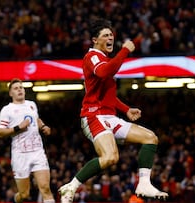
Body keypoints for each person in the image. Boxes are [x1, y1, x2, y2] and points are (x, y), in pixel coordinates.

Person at [58, 18, 169, 203]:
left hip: (109, 117)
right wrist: (125, 51)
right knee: (110, 157)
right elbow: (104, 72)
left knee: (150, 138)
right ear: (95, 40)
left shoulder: (105, 59)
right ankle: (72, 186)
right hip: (93, 115)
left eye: (111, 34)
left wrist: (125, 110)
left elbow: (108, 94)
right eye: (105, 35)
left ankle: (143, 184)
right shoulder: (92, 56)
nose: (110, 38)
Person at [0, 78, 55, 203]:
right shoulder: (7, 110)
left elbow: (37, 119)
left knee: (45, 188)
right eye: (16, 88)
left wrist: (43, 126)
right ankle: (14, 200)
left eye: (21, 87)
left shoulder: (31, 104)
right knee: (24, 194)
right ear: (10, 93)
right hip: (20, 155)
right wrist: (18, 128)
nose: (19, 90)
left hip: (38, 152)